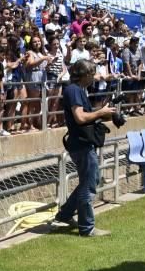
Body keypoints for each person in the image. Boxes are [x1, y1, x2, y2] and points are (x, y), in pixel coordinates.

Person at [50, 59, 117, 237]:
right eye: (92, 74)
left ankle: (64, 216)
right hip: (80, 144)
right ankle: (87, 228)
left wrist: (104, 114)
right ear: (85, 74)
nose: (94, 77)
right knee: (89, 185)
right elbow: (79, 118)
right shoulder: (73, 90)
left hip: (83, 143)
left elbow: (86, 116)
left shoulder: (78, 90)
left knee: (90, 181)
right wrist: (101, 113)